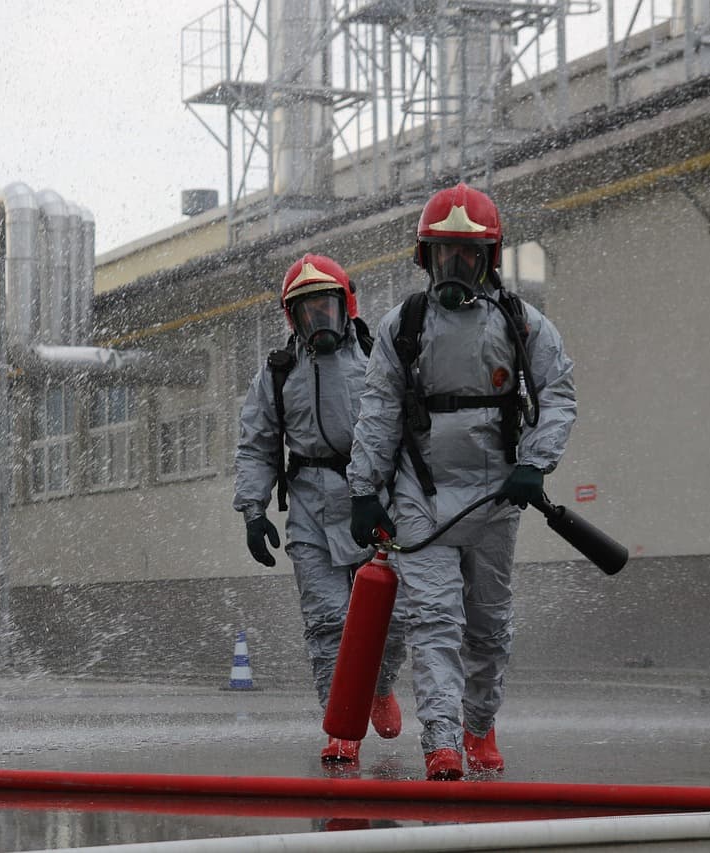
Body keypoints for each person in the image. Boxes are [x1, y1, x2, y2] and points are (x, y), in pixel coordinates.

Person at [347, 183, 576, 781]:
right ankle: (442, 743)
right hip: (421, 500)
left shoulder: (523, 324)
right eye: (443, 254)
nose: (455, 267)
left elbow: (558, 396)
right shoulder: (404, 327)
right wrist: (365, 490)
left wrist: (535, 462)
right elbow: (378, 411)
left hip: (497, 498)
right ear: (426, 259)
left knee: (489, 627)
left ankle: (479, 727)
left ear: (488, 259)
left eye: (466, 255)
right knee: (435, 622)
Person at [234, 252, 408, 766]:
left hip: (374, 503)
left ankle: (379, 685)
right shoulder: (278, 373)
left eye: (325, 308)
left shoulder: (379, 358)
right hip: (310, 507)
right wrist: (253, 509)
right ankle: (341, 725)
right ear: (293, 317)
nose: (318, 321)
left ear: (345, 304)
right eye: (306, 312)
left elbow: (405, 432)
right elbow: (256, 444)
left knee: (395, 620)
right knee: (327, 622)